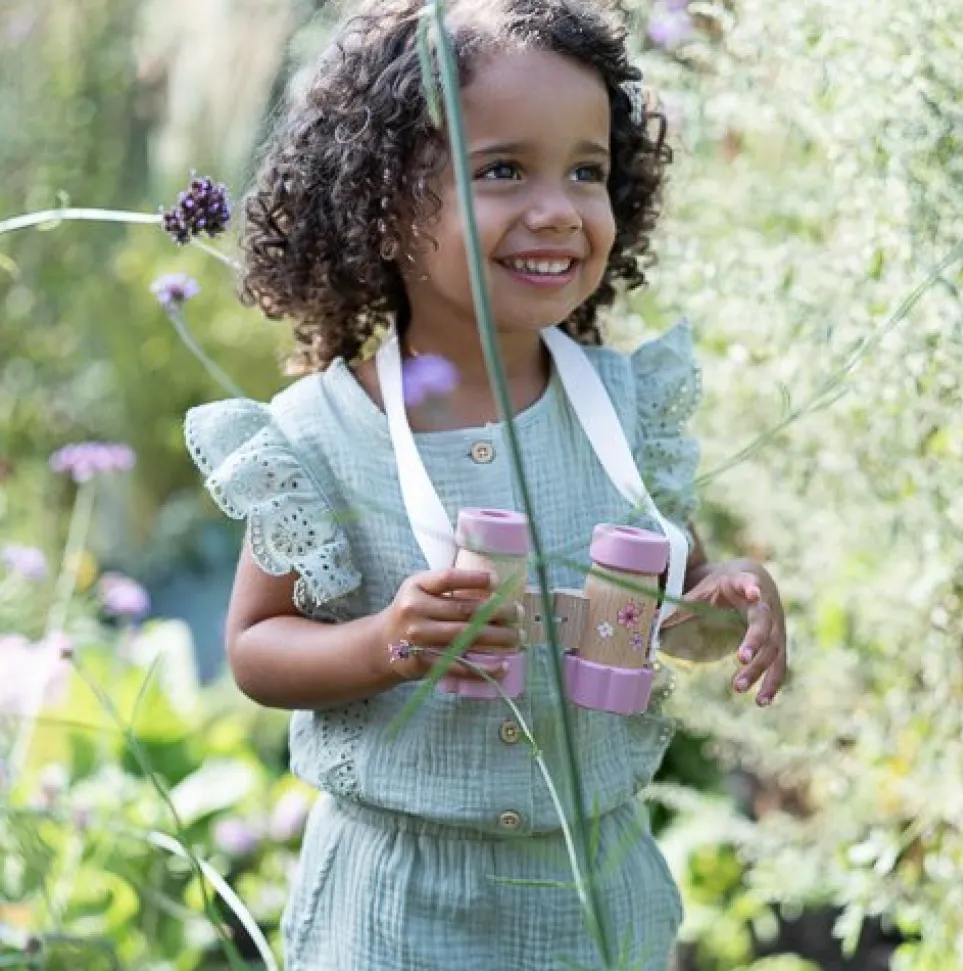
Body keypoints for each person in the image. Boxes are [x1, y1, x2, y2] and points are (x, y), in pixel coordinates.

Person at [184, 1, 787, 968]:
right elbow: (255, 649)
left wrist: (733, 600)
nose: (557, 207)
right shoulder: (320, 436)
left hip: (592, 901)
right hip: (398, 911)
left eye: (585, 171)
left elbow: (674, 611)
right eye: (503, 169)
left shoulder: (626, 411)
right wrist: (384, 642)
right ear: (380, 201)